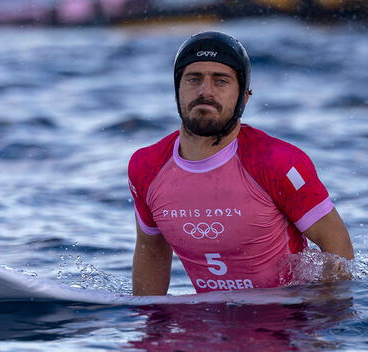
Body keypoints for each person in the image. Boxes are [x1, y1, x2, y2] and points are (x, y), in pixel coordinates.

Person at [128, 31, 354, 296]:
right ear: (177, 89)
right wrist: (149, 329)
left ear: (244, 96)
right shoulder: (146, 166)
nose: (205, 91)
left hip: (287, 323)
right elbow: (151, 251)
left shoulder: (276, 161)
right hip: (208, 326)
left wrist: (322, 324)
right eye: (194, 79)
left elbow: (337, 246)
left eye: (221, 81)